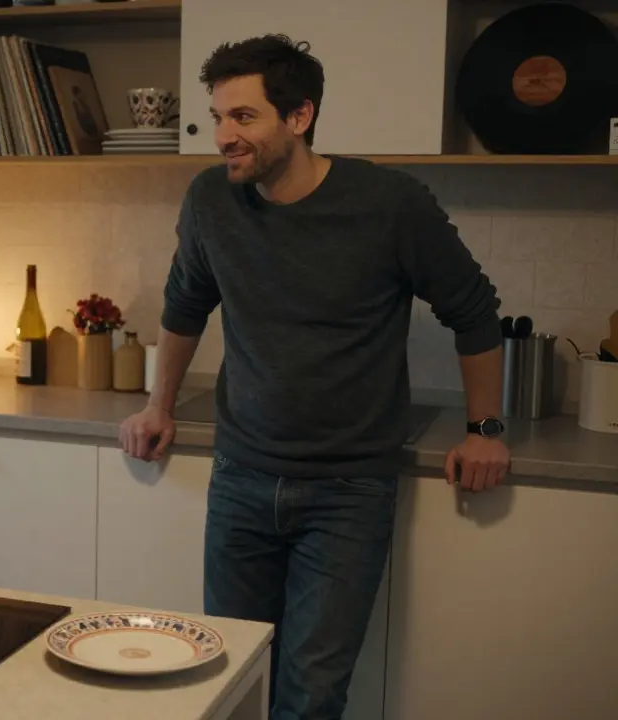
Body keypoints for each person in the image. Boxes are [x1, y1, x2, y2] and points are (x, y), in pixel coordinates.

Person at [118, 35, 511, 719]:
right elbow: (185, 306)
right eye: (217, 117)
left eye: (243, 118)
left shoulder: (389, 204)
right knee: (231, 676)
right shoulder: (211, 200)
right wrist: (159, 406)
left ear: (299, 117)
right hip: (241, 478)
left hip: (348, 492)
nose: (223, 137)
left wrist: (484, 429)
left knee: (311, 694)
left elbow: (475, 313)